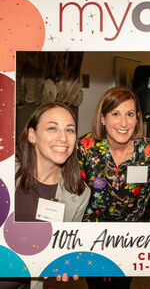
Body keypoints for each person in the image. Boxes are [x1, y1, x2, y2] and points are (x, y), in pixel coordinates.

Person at [78, 86, 150, 289]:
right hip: (92, 239)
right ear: (103, 118)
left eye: (130, 114)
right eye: (116, 114)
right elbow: (79, 203)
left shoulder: (148, 151)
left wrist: (118, 251)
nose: (124, 123)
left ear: (137, 118)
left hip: (128, 239)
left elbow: (141, 206)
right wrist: (102, 253)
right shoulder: (85, 148)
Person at [11, 102, 91, 289]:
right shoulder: (5, 171)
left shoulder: (78, 194)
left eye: (70, 130)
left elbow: (63, 246)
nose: (63, 138)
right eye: (52, 128)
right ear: (32, 135)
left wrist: (64, 261)